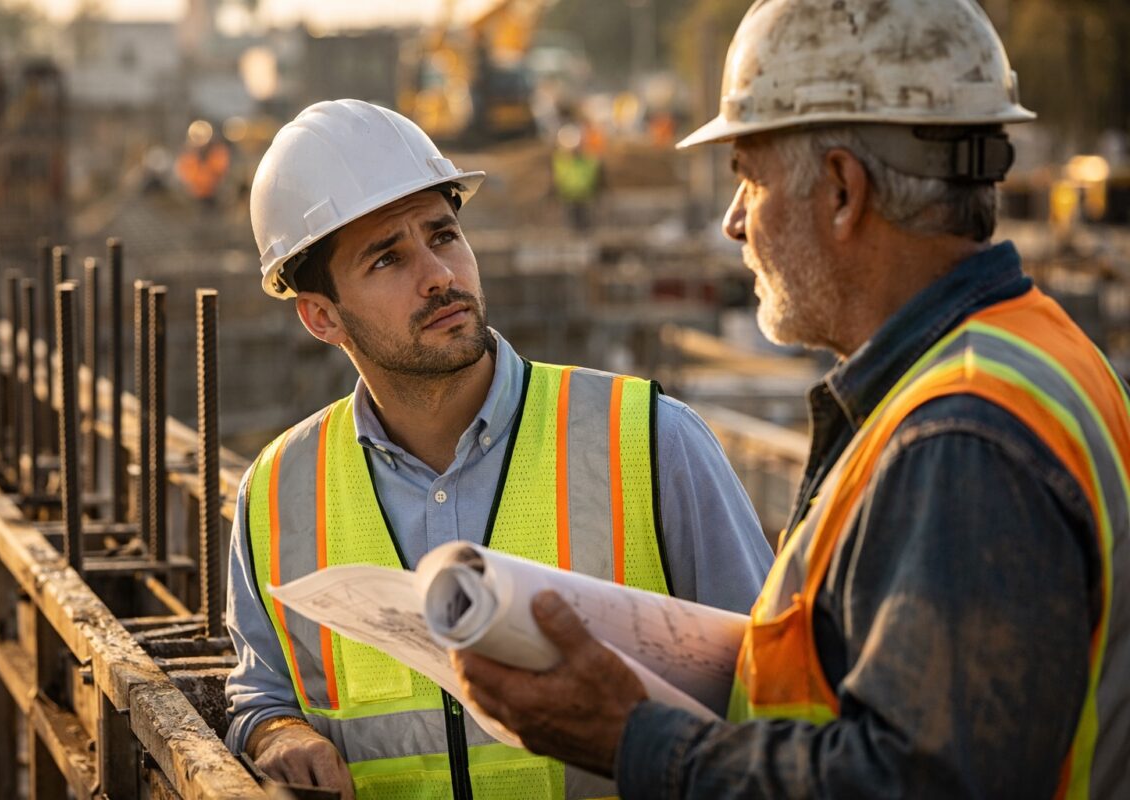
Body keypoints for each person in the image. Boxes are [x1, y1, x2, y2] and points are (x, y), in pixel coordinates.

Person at [454, 1, 1130, 798]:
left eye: (748, 177)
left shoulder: (958, 438)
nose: (734, 221)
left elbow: (916, 784)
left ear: (842, 189)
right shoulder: (1034, 355)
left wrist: (632, 737)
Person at [223, 99, 773, 799]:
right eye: (388, 258)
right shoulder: (277, 494)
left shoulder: (651, 440)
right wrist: (278, 733)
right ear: (322, 316)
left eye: (443, 235)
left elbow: (772, 690)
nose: (439, 276)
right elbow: (259, 687)